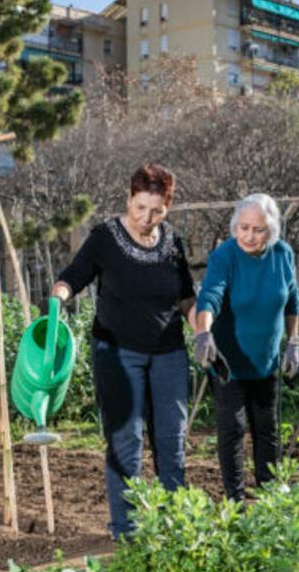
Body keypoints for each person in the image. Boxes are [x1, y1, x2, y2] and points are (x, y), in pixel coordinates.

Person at [50, 164, 195, 538]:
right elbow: (74, 276)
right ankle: (127, 532)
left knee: (172, 441)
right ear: (129, 199)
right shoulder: (105, 237)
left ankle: (175, 528)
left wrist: (205, 332)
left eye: (156, 211)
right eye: (140, 207)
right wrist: (58, 298)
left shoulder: (173, 243)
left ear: (167, 208)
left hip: (169, 353)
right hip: (117, 354)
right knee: (126, 441)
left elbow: (185, 298)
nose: (147, 218)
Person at [194, 193, 299, 502]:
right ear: (235, 226)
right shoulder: (224, 256)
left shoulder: (282, 254)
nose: (249, 236)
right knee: (234, 429)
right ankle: (236, 501)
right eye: (243, 228)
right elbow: (210, 296)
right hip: (228, 361)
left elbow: (292, 300)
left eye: (258, 229)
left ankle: (270, 497)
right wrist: (203, 333)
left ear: (272, 230)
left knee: (267, 428)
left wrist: (293, 342)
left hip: (266, 360)